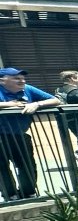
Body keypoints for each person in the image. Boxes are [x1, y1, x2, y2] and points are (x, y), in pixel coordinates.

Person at [0, 67, 63, 200]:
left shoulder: (28, 89)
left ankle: (28, 192)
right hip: (1, 135)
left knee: (27, 164)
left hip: (19, 134)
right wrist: (9, 105)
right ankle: (10, 195)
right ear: (2, 80)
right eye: (16, 78)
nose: (22, 81)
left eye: (23, 78)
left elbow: (56, 100)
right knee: (2, 168)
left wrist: (37, 104)